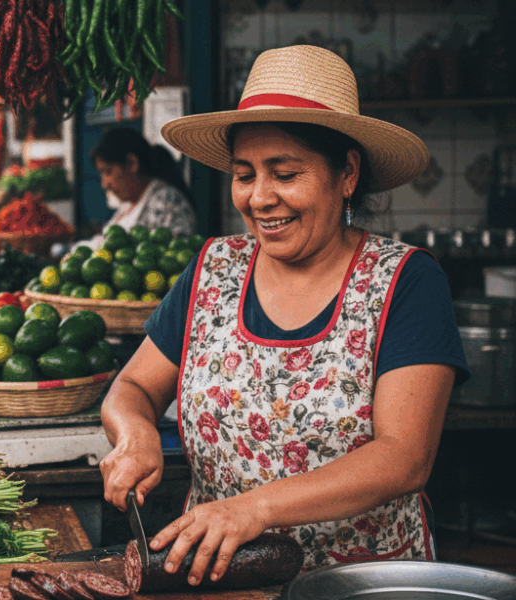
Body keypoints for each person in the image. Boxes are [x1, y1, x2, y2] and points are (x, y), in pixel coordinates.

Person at [99, 45, 470, 585]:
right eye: (245, 175)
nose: (260, 198)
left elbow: (405, 455)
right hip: (220, 580)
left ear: (346, 174)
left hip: (361, 583)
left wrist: (254, 508)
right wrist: (134, 433)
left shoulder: (405, 281)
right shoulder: (213, 269)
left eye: (286, 174)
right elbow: (132, 385)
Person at [91, 128, 196, 238]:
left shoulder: (166, 202)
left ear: (132, 163)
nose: (105, 184)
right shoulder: (128, 205)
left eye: (108, 172)